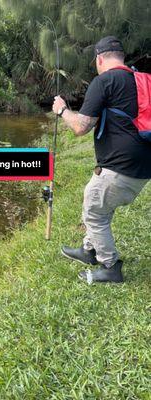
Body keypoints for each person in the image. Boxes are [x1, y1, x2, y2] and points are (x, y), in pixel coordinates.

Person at [52, 36, 151, 284]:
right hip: (143, 167)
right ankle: (88, 251)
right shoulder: (143, 80)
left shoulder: (104, 81)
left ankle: (110, 266)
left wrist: (63, 110)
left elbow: (81, 127)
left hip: (120, 167)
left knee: (94, 211)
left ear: (99, 58)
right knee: (99, 203)